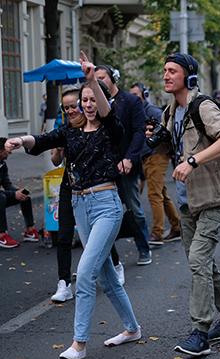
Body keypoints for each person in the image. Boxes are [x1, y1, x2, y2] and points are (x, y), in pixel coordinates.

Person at [5, 52, 141, 359]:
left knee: (85, 272)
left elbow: (107, 114)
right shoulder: (71, 131)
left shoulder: (111, 128)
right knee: (105, 274)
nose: (89, 104)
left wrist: (91, 77)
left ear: (102, 100)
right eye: (85, 100)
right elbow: (43, 139)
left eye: (94, 99)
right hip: (80, 205)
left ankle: (79, 344)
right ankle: (132, 328)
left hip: (107, 205)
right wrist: (19, 140)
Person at [154, 53, 220, 356]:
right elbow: (174, 145)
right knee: (203, 262)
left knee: (197, 261)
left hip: (212, 198)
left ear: (188, 76)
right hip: (186, 202)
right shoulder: (171, 110)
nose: (166, 76)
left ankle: (200, 332)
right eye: (164, 71)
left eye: (172, 71)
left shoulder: (201, 105)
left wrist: (193, 160)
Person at [95, 65, 152, 266]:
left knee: (134, 209)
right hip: (104, 168)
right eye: (95, 78)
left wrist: (129, 158)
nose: (99, 81)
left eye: (102, 77)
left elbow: (139, 132)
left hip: (126, 165)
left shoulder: (130, 101)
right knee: (105, 214)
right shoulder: (94, 103)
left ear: (113, 79)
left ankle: (144, 248)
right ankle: (109, 259)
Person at [129, 82, 181, 246]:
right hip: (147, 157)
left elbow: (167, 130)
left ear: (144, 95)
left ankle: (157, 233)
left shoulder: (152, 111)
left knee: (154, 194)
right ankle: (177, 226)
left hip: (156, 155)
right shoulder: (137, 112)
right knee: (162, 194)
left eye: (136, 95)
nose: (134, 99)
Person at [49, 86, 81, 302]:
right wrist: (59, 149)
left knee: (94, 236)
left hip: (92, 188)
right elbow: (55, 161)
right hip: (68, 185)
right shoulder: (63, 129)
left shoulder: (93, 126)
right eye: (66, 107)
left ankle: (115, 266)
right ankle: (64, 283)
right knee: (64, 235)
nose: (70, 111)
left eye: (73, 106)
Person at [0, 140, 39, 248]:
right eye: (7, 150)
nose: (10, 153)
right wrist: (13, 194)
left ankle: (30, 230)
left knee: (24, 196)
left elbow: (7, 185)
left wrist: (19, 192)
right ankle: (2, 235)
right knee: (1, 198)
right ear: (0, 151)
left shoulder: (2, 165)